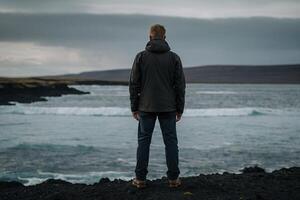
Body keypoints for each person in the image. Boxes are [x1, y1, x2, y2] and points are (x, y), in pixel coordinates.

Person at [129, 24, 186, 188]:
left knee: (144, 142)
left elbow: (134, 84)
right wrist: (180, 108)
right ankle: (174, 179)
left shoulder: (140, 57)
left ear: (150, 37)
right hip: (168, 108)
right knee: (171, 143)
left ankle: (140, 179)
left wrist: (134, 107)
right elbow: (180, 86)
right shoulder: (174, 58)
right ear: (165, 38)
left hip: (146, 107)